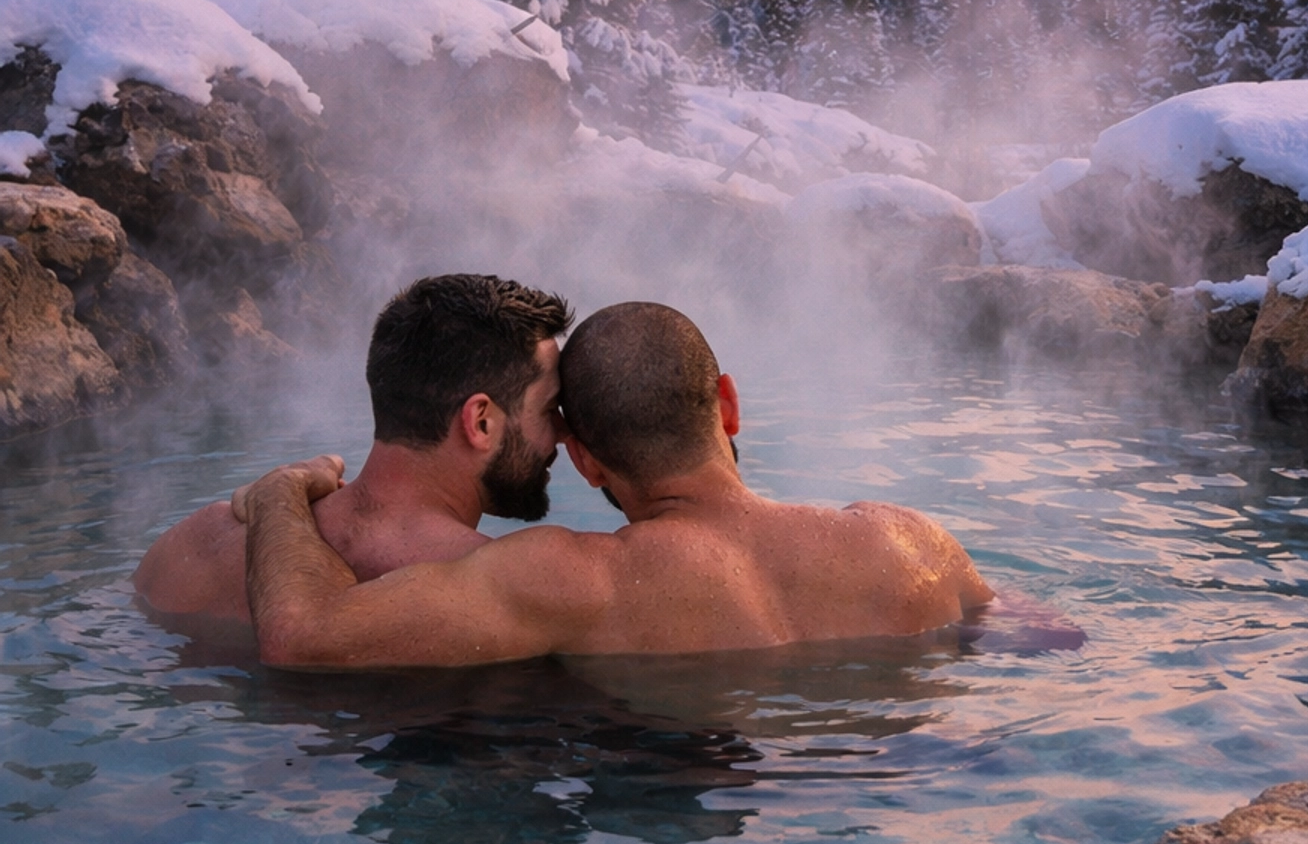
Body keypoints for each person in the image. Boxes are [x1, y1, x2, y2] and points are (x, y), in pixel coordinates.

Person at [236, 300, 996, 667]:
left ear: (585, 461)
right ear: (727, 404)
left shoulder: (572, 579)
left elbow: (303, 638)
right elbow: (1048, 639)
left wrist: (279, 496)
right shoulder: (908, 539)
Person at [133, 274, 571, 624]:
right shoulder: (503, 592)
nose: (564, 433)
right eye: (549, 409)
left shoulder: (194, 543)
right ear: (480, 422)